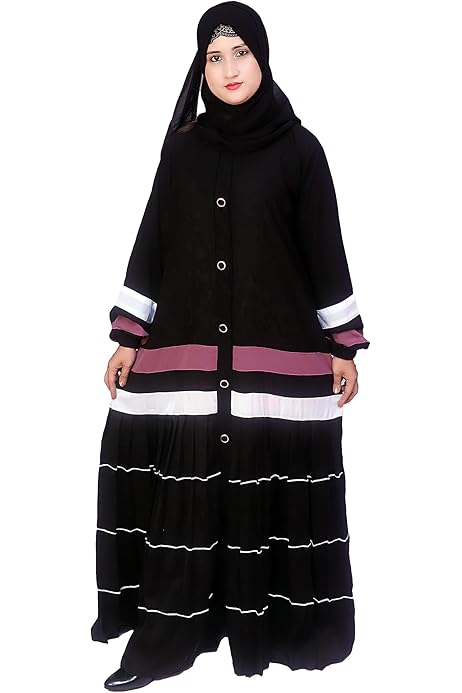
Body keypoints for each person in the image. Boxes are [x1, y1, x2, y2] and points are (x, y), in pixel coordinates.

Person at [91, 1, 370, 689]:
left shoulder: (301, 151)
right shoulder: (183, 149)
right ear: (201, 69)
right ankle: (169, 636)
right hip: (188, 352)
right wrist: (129, 333)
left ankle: (273, 628)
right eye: (213, 58)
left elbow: (324, 250)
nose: (228, 69)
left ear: (262, 58)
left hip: (278, 360)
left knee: (263, 490)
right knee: (182, 489)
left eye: (240, 52)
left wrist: (344, 345)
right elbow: (154, 240)